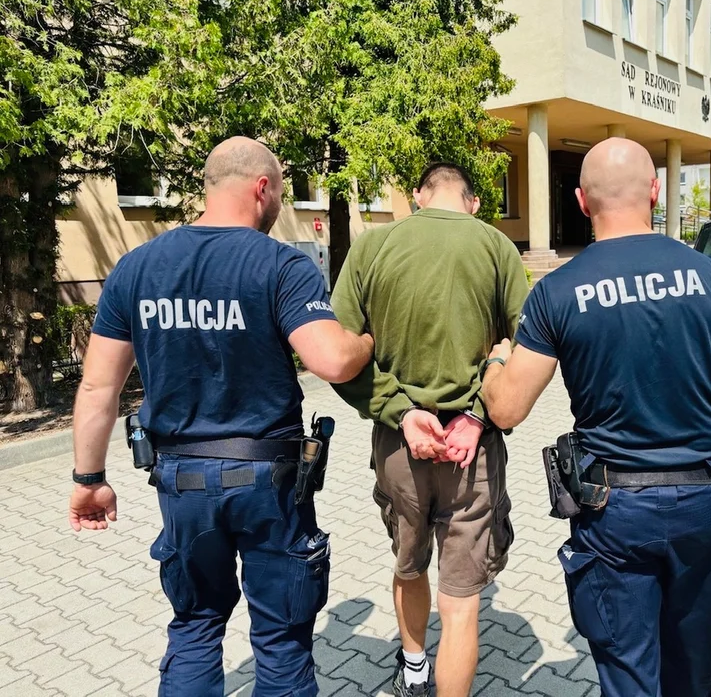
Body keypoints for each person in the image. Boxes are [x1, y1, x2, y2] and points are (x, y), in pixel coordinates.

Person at [480, 138, 711, 697]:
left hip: (615, 512)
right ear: (655, 191)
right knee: (693, 661)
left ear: (582, 201)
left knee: (630, 671)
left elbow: (507, 407)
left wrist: (496, 361)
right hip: (705, 503)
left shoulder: (557, 291)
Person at [68, 137, 374, 696]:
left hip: (181, 484)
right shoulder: (281, 264)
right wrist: (366, 341)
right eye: (280, 193)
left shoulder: (136, 268)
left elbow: (97, 386)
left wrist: (89, 479)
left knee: (195, 626)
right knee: (281, 638)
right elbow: (332, 360)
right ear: (262, 188)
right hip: (270, 484)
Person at [331, 162, 528, 697]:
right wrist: (478, 414)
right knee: (461, 598)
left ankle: (415, 670)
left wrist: (399, 410)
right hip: (472, 449)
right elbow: (530, 347)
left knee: (409, 563)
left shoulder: (372, 247)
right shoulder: (497, 247)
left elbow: (335, 354)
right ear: (473, 202)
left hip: (400, 443)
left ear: (418, 195)